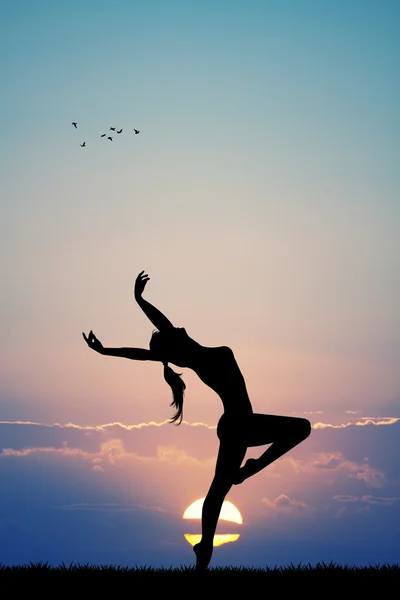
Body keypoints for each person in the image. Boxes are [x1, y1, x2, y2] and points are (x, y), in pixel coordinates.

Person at [82, 270, 311, 570]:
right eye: (172, 331)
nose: (179, 327)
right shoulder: (187, 352)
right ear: (173, 345)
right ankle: (250, 470)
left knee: (218, 492)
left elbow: (145, 349)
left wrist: (106, 347)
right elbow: (145, 344)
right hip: (239, 424)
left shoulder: (188, 350)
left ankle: (204, 551)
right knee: (301, 428)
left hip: (236, 425)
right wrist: (138, 301)